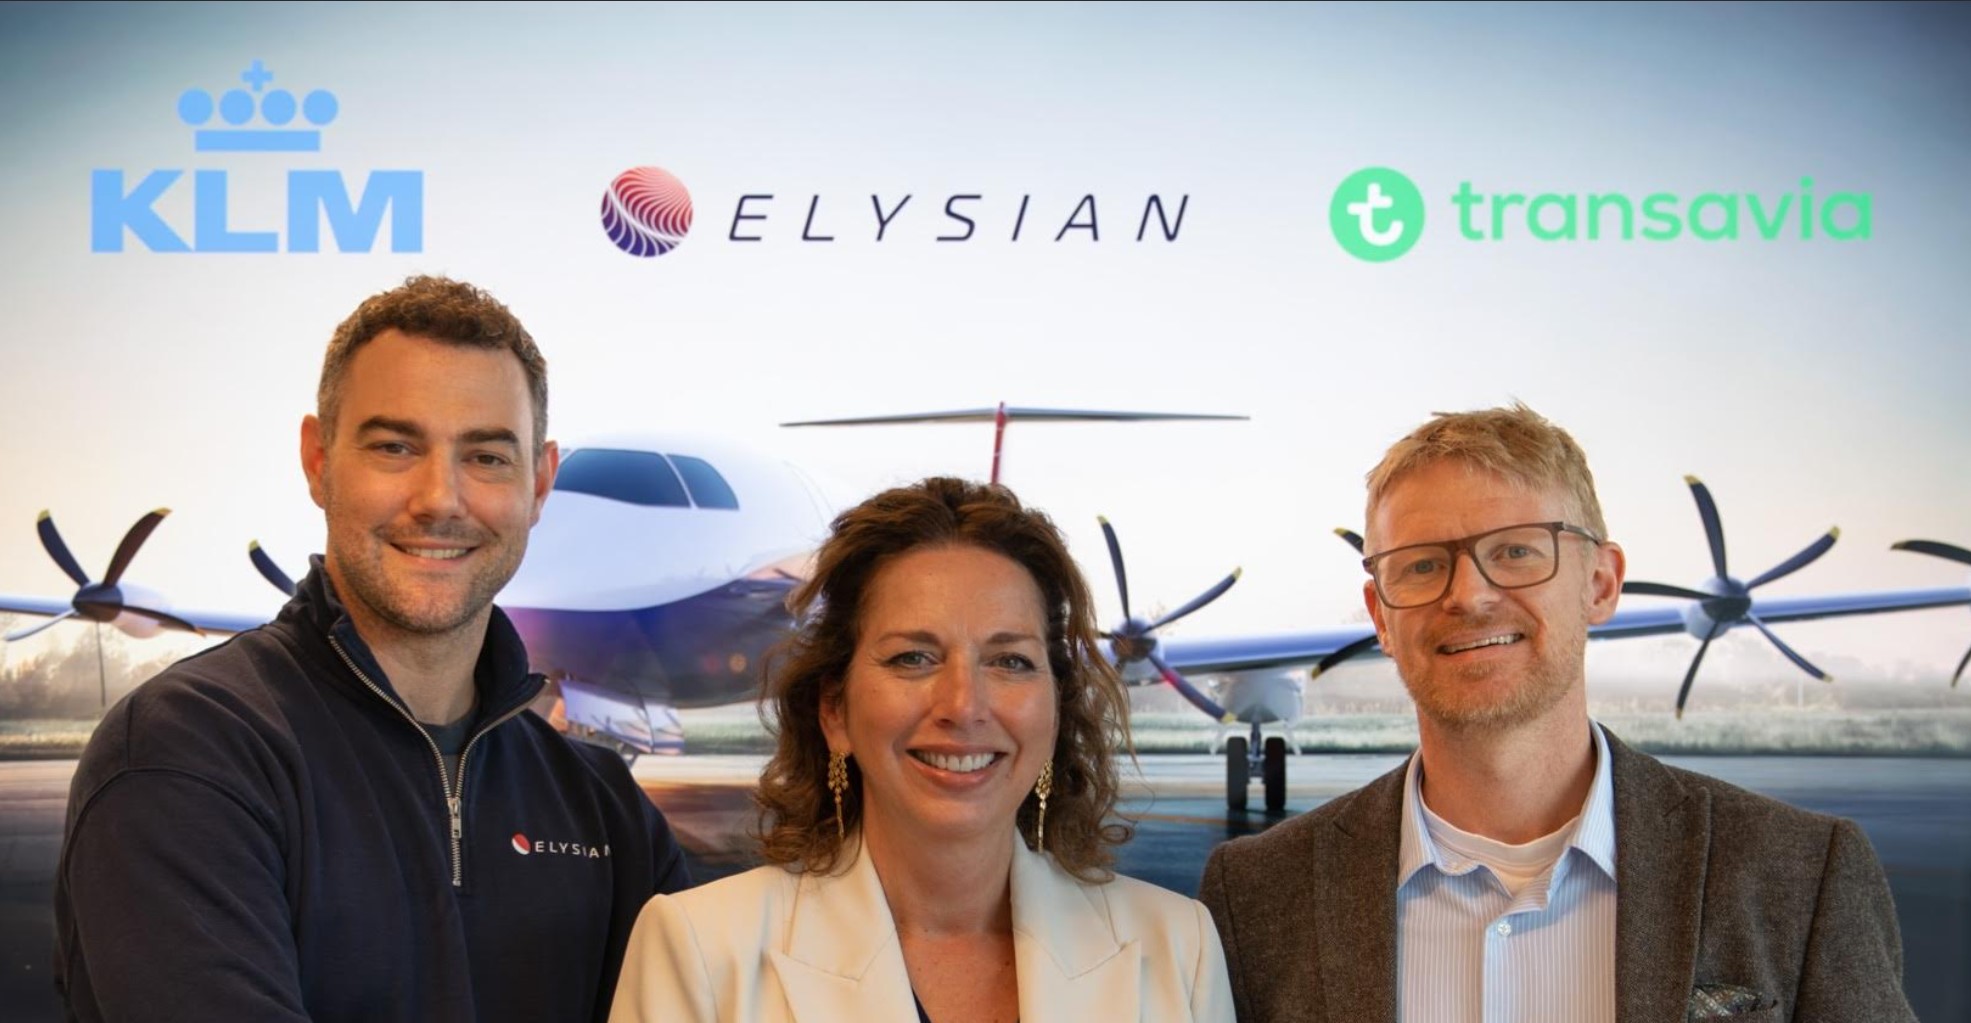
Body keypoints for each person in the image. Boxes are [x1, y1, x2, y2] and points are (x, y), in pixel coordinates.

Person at [54, 276, 691, 1022]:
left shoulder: (604, 803)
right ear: (318, 460)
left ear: (540, 483)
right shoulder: (184, 754)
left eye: (487, 457)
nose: (439, 499)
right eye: (395, 447)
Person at [1200, 404, 1913, 1023]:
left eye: (1515, 551)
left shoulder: (1801, 875)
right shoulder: (1256, 896)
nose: (1468, 595)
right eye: (1421, 564)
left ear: (1601, 583)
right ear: (1379, 616)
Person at [610, 477, 1233, 1023]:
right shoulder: (699, 948)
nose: (963, 705)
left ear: (1056, 711)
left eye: (1010, 661)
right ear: (834, 712)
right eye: (913, 658)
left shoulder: (1177, 948)